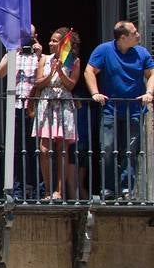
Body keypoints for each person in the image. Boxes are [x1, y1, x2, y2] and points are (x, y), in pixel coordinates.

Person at [83, 20, 154, 199]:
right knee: (107, 149)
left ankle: (125, 189)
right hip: (110, 109)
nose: (138, 35)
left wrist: (149, 92)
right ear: (123, 37)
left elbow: (152, 73)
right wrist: (95, 93)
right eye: (134, 33)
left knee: (129, 151)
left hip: (135, 110)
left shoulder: (142, 52)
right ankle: (108, 188)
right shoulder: (104, 50)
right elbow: (89, 70)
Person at [33, 28, 81, 201]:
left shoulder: (73, 61)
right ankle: (47, 190)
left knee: (62, 148)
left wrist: (60, 71)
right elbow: (38, 82)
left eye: (54, 41)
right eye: (51, 40)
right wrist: (51, 73)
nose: (50, 43)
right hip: (46, 103)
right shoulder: (44, 59)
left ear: (64, 44)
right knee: (44, 149)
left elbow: (71, 85)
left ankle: (59, 191)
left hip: (63, 103)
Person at [0, 25, 42, 198]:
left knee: (36, 149)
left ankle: (38, 188)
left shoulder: (41, 57)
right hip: (15, 107)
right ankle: (18, 189)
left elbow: (43, 78)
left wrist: (39, 56)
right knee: (16, 149)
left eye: (28, 36)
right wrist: (13, 50)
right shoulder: (12, 54)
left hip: (35, 108)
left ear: (35, 36)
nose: (26, 39)